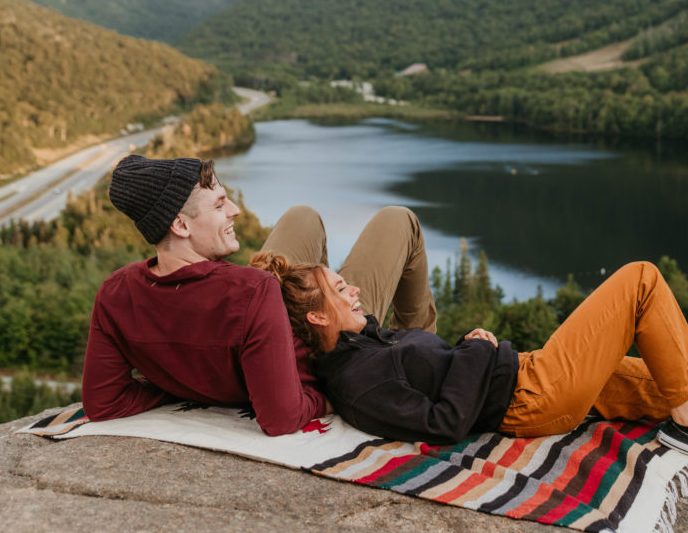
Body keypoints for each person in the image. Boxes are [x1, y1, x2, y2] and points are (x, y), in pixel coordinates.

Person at [250, 253, 688, 496]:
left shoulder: (369, 340)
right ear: (314, 315)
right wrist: (470, 348)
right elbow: (444, 424)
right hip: (532, 393)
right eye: (338, 287)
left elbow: (438, 372)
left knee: (668, 380)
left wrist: (470, 350)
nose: (352, 286)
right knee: (641, 279)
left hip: (527, 373)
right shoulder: (357, 378)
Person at [81, 154, 436, 437]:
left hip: (263, 317)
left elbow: (105, 402)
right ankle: (421, 359)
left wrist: (176, 383)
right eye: (220, 205)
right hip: (329, 344)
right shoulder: (253, 289)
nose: (235, 210)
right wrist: (326, 400)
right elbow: (281, 417)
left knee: (302, 216)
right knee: (399, 219)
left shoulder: (116, 292)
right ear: (181, 226)